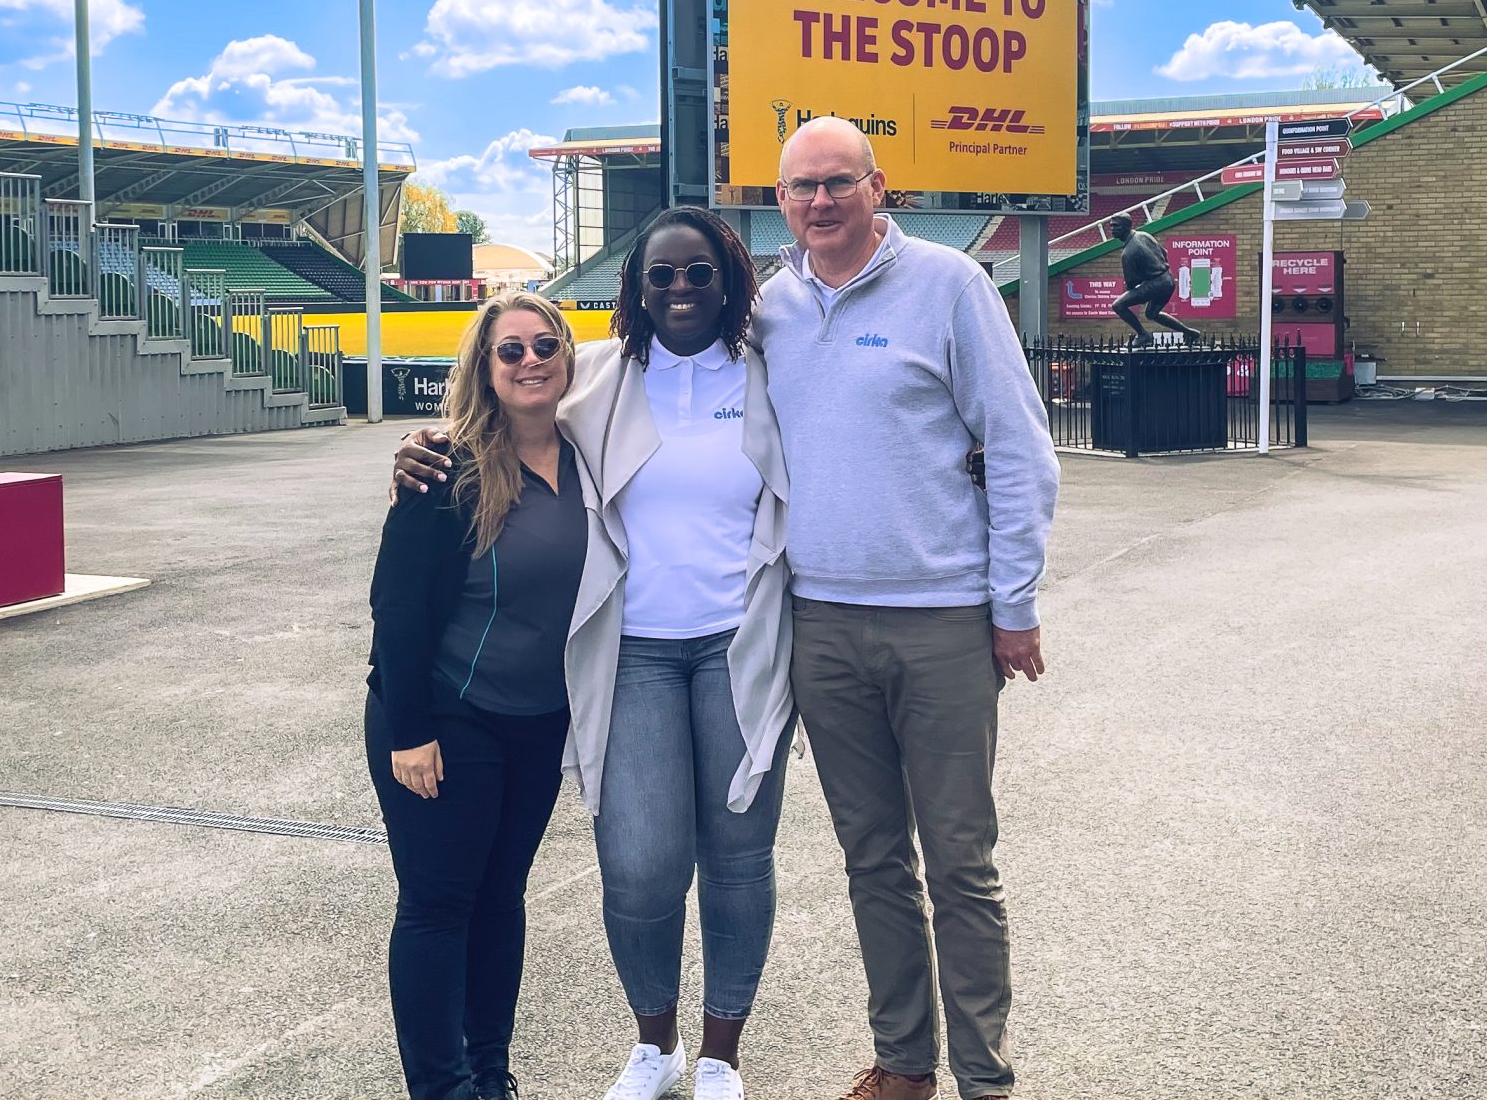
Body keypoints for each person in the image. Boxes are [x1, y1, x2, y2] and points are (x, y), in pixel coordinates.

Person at [396, 210, 796, 1100]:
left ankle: (723, 1053)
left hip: (743, 646)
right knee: (640, 861)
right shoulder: (599, 377)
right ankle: (655, 1045)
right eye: (662, 277)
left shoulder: (775, 372)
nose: (681, 291)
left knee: (738, 858)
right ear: (635, 290)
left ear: (728, 279)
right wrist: (422, 449)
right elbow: (502, 415)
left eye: (699, 274)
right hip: (637, 655)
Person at [762, 117, 1058, 1100]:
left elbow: (1018, 451)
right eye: (801, 186)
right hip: (822, 628)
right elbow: (652, 383)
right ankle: (903, 1062)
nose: (819, 201)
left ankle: (984, 1075)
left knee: (961, 866)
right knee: (872, 861)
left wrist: (1010, 604)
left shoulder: (950, 287)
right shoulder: (771, 310)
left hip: (942, 624)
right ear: (780, 200)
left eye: (838, 182)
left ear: (877, 185)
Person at [367, 290, 589, 1100]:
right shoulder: (445, 467)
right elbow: (394, 607)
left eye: (545, 346)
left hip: (537, 724)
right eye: (510, 350)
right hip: (444, 717)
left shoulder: (593, 451)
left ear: (569, 356)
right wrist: (408, 730)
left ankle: (488, 1077)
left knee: (501, 902)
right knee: (438, 903)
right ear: (484, 369)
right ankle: (442, 1087)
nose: (531, 360)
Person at [1106, 208, 1196, 343]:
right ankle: (1189, 333)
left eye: (1116, 226)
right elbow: (1164, 253)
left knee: (1118, 305)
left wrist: (1137, 295)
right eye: (1111, 226)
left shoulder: (1128, 253)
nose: (1112, 229)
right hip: (1168, 279)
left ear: (1126, 226)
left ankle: (1143, 335)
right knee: (1151, 314)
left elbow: (1131, 282)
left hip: (1156, 283)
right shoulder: (1144, 235)